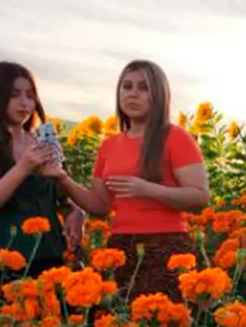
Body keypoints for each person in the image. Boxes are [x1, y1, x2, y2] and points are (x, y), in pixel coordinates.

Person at [48, 60, 209, 301]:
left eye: (143, 88)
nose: (133, 94)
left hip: (167, 246)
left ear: (159, 94)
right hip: (121, 248)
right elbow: (100, 206)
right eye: (127, 86)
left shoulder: (175, 137)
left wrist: (148, 189)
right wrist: (63, 178)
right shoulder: (109, 146)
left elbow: (200, 197)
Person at [0, 61, 83, 278]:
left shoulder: (43, 142)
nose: (25, 103)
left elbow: (60, 198)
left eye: (30, 96)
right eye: (14, 95)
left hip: (48, 256)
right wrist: (22, 168)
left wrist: (74, 212)